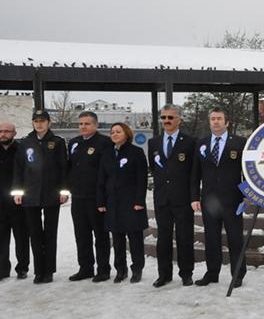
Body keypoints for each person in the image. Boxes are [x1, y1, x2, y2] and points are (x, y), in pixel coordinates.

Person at [190, 107, 246, 287]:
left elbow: (247, 172)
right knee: (211, 238)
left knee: (235, 239)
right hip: (209, 201)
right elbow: (195, 173)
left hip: (233, 200)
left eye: (219, 118)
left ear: (226, 122)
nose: (215, 121)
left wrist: (247, 195)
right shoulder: (202, 143)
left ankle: (237, 274)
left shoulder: (239, 143)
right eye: (212, 118)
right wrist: (194, 197)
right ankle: (212, 273)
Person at [11, 110, 69, 284]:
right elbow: (19, 169)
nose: (39, 124)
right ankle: (39, 271)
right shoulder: (25, 142)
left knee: (50, 233)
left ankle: (49, 270)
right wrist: (18, 191)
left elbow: (63, 168)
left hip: (51, 194)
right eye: (36, 121)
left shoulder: (57, 142)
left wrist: (64, 191)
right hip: (30, 195)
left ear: (49, 123)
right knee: (35, 234)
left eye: (42, 121)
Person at [148, 104, 195, 287]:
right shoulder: (154, 143)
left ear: (179, 120)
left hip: (182, 199)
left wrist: (193, 197)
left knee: (185, 237)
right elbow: (154, 168)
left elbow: (193, 173)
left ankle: (186, 274)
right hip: (162, 199)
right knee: (163, 239)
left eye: (170, 117)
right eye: (163, 117)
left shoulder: (190, 142)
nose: (166, 121)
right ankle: (164, 274)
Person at [97, 122, 149, 283]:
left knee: (135, 239)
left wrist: (139, 200)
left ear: (126, 133)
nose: (114, 134)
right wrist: (101, 201)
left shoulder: (136, 152)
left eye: (118, 131)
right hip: (113, 203)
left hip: (131, 202)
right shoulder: (107, 154)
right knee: (117, 240)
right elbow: (101, 179)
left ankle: (137, 269)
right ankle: (121, 270)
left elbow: (142, 179)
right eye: (112, 132)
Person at [66, 111, 113, 282]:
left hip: (96, 197)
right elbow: (69, 167)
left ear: (96, 125)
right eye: (80, 124)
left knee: (100, 235)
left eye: (87, 124)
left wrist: (104, 196)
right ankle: (85, 268)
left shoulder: (104, 143)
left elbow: (107, 171)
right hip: (78, 196)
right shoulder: (74, 143)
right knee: (81, 235)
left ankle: (103, 269)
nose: (83, 127)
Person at [0, 122, 29, 280]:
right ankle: (2, 269)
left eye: (7, 131)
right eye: (0, 131)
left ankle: (22, 268)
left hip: (18, 202)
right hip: (0, 203)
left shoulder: (21, 150)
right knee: (1, 238)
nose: (3, 134)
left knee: (22, 237)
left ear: (14, 133)